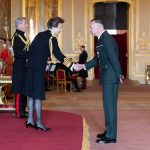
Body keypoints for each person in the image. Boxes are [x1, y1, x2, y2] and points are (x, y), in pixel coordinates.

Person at [74, 18, 123, 144]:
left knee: (110, 107)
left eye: (91, 27)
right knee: (107, 106)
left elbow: (113, 58)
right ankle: (109, 131)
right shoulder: (102, 39)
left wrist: (119, 75)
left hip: (111, 77)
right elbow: (97, 59)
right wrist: (83, 66)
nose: (90, 30)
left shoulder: (106, 39)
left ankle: (111, 136)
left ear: (98, 27)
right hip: (108, 76)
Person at [25, 17, 73, 131]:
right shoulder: (52, 38)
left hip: (30, 67)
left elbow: (32, 51)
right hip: (37, 70)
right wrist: (71, 65)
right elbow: (58, 54)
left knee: (31, 94)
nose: (61, 30)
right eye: (60, 27)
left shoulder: (39, 34)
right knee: (38, 96)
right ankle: (39, 122)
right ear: (54, 27)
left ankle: (30, 120)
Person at [12, 17, 30, 118]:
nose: (27, 25)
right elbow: (18, 53)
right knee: (19, 89)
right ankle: (19, 112)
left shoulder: (25, 37)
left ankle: (24, 110)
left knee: (24, 90)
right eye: (25, 23)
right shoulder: (16, 37)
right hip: (19, 67)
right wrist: (30, 53)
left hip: (25, 67)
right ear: (19, 25)